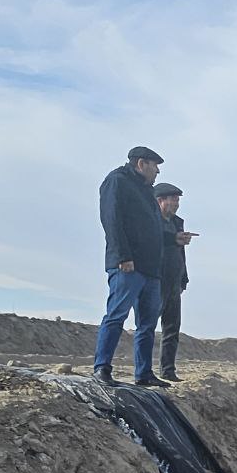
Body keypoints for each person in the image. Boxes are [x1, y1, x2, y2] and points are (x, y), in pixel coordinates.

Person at [93, 146, 169, 388]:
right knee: (116, 315)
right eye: (155, 166)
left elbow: (150, 228)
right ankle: (102, 368)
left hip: (150, 269)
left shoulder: (146, 190)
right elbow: (111, 219)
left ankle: (144, 373)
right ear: (141, 164)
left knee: (147, 324)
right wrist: (123, 256)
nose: (157, 171)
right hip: (128, 265)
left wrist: (173, 238)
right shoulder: (117, 181)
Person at [153, 182, 198, 381]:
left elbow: (180, 253)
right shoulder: (151, 220)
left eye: (178, 201)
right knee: (148, 325)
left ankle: (168, 370)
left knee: (172, 328)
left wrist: (183, 279)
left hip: (174, 280)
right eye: (173, 200)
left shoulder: (177, 223)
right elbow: (151, 242)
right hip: (156, 279)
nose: (176, 204)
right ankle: (143, 371)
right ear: (160, 200)